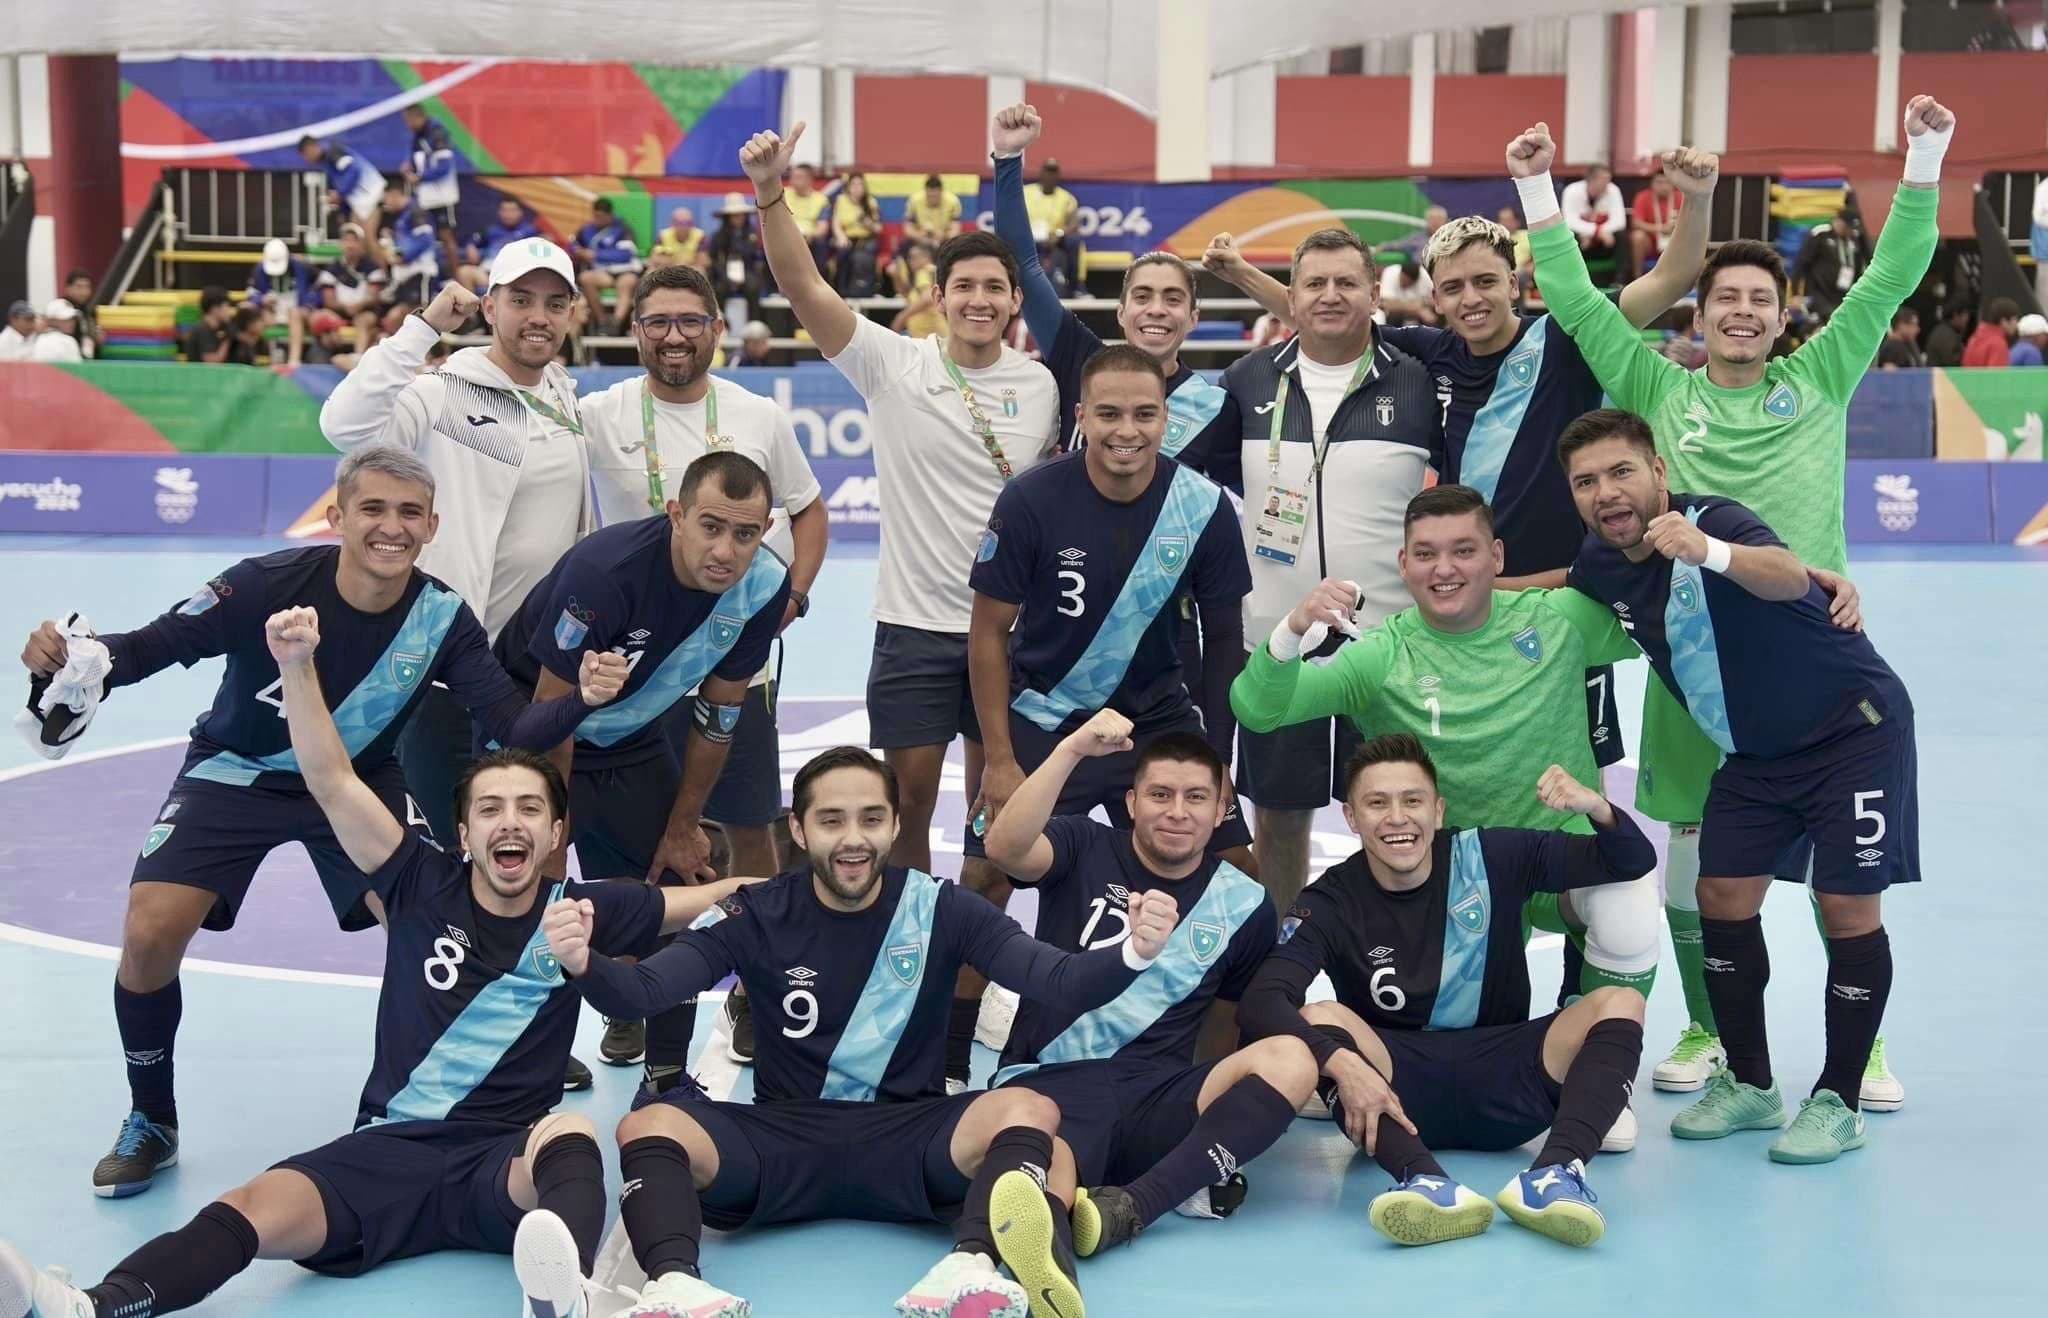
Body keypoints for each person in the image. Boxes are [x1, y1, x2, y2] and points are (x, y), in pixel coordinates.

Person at [0, 604, 744, 1318]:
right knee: (252, 1207)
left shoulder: (586, 907)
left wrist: (803, 889)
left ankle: (561, 1297)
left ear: (555, 834)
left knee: (573, 1135)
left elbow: (712, 898)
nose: (508, 822)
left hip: (503, 1164)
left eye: (528, 810)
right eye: (490, 809)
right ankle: (92, 1305)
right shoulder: (417, 878)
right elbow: (330, 778)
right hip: (389, 1147)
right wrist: (296, 665)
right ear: (462, 831)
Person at [13, 446, 623, 1198]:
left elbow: (511, 723)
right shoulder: (263, 585)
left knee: (434, 921)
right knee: (147, 930)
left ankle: (493, 1052)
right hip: (238, 771)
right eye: (373, 509)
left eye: (408, 513)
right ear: (337, 517)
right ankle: (153, 1119)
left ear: (432, 526)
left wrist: (584, 702)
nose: (390, 527)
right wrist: (73, 657)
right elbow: (152, 648)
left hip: (356, 778)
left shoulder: (442, 618)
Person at [1511, 98, 1951, 1105]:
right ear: (1698, 317)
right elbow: (1577, 305)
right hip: (1687, 674)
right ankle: (1711, 1033)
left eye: (1759, 297)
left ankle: (1861, 1045)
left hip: (1807, 663)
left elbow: (1889, 274)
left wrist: (1922, 150)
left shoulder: (1821, 376)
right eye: (1723, 299)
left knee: (1842, 873)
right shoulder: (1657, 391)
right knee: (1702, 860)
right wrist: (1536, 187)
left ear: (1782, 313)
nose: (1741, 310)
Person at [551, 745, 1180, 1318]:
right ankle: (675, 1289)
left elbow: (1060, 980)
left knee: (1028, 1108)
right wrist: (585, 962)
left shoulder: (941, 906)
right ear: (798, 829)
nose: (853, 840)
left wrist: (1133, 954)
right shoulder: (755, 910)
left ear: (895, 826)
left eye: (871, 819)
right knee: (648, 1123)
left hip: (912, 1138)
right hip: (782, 1140)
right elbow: (647, 990)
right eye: (831, 821)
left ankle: (970, 1269)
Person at [1559, 408, 1920, 1165]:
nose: (1606, 492)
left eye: (1621, 471)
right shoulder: (1601, 558)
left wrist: (1709, 550)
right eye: (1586, 481)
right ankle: (1753, 1085)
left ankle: (1840, 1098)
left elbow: (1788, 574)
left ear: (1658, 471)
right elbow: (1554, 583)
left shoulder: (1709, 517)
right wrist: (1462, 577)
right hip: (1755, 757)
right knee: (1721, 896)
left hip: (1851, 731)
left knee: (1847, 906)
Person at [1229, 486, 1671, 1058]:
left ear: (1498, 558)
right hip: (1448, 885)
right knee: (1449, 1063)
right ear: (1404, 564)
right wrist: (1291, 631)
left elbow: (1665, 621)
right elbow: (1260, 710)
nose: (1444, 569)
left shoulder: (1560, 619)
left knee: (1630, 903)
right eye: (1426, 553)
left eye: (1464, 551)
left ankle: (1601, 1077)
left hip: (1557, 859)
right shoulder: (1382, 654)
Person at [741, 122, 1061, 898]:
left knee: (1000, 816)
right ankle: (915, 960)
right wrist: (770, 193)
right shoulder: (893, 364)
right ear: (939, 298)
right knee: (907, 812)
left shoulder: (1044, 387)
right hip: (915, 630)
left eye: (995, 287)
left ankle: (972, 989)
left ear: (1016, 299)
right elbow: (803, 287)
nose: (979, 300)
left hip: (1012, 631)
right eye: (965, 287)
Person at [955, 346, 1254, 1090]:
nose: (1128, 430)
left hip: (1156, 724)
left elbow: (1224, 646)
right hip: (1043, 718)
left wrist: (1217, 766)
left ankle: (1207, 1081)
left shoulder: (1203, 508)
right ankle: (948, 1065)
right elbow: (989, 631)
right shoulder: (1031, 499)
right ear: (1081, 417)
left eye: (1145, 414)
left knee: (1232, 885)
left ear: (1166, 418)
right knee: (984, 879)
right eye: (1110, 413)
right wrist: (998, 757)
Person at [1239, 736, 1653, 1247]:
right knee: (1321, 1014)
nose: (1397, 818)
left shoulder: (1491, 855)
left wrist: (1597, 808)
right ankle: (1424, 1180)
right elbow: (1263, 1000)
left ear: (1437, 810)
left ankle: (1555, 1174)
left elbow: (1630, 860)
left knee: (1620, 1002)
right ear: (1351, 817)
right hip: (1392, 1095)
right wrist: (1343, 1066)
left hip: (1510, 1075)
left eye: (1412, 801)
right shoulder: (1330, 899)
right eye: (1377, 803)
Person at [581, 263, 828, 1067]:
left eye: (691, 319)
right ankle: (630, 995)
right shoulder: (596, 414)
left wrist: (790, 594)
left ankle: (757, 993)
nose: (675, 335)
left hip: (734, 669)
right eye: (657, 321)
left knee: (752, 832)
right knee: (638, 848)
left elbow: (808, 508)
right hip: (638, 680)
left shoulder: (757, 413)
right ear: (636, 328)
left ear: (717, 328)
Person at [492, 451, 791, 1101]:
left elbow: (719, 709)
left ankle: (662, 1081)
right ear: (675, 514)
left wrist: (685, 824)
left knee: (676, 887)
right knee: (527, 902)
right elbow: (551, 713)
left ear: (765, 530)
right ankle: (525, 1061)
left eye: (745, 534)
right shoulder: (606, 573)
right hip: (528, 723)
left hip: (627, 735)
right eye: (710, 527)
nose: (725, 551)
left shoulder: (765, 585)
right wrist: (553, 830)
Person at [980, 720, 1319, 1258]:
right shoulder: (1082, 842)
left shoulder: (1244, 903)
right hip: (1053, 1086)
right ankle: (1049, 1244)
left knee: (1291, 1059)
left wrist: (1218, 1122)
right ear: (1132, 801)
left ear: (1219, 809)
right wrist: (1070, 750)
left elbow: (1223, 1025)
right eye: (1160, 795)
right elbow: (1003, 847)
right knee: (1046, 1183)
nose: (1177, 811)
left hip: (1158, 1098)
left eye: (1196, 797)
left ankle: (1134, 1206)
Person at [1181, 226, 1445, 917]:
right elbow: (1187, 483)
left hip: (1390, 645)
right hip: (1277, 642)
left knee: (1396, 815)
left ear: (1374, 292)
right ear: (1291, 296)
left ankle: (1396, 965)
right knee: (1281, 816)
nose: (1331, 296)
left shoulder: (1416, 382)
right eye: (1314, 283)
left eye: (1346, 282)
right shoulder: (1246, 379)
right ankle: (1281, 962)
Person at [990, 104, 1240, 766]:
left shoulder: (1220, 405)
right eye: (1143, 296)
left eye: (1172, 298)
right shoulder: (1079, 357)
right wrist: (1008, 161)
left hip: (1163, 653)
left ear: (1193, 314)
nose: (1156, 309)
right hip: (1058, 645)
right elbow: (1022, 262)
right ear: (1122, 308)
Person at [323, 240, 594, 841]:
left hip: (534, 667)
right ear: (490, 308)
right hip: (450, 665)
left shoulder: (563, 398)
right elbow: (344, 427)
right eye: (520, 299)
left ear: (573, 313)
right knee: (440, 850)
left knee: (522, 844)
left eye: (554, 303)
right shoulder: (445, 392)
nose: (538, 317)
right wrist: (420, 330)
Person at [398, 103, 461, 275]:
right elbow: (412, 158)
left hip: (443, 196)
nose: (407, 125)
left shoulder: (437, 134)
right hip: (424, 198)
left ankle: (457, 278)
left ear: (418, 117)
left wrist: (420, 177)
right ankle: (432, 278)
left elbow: (444, 166)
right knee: (426, 236)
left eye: (409, 120)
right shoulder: (416, 137)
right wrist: (408, 166)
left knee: (446, 236)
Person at [376, 181, 442, 329]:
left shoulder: (416, 211)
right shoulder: (402, 217)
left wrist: (403, 256)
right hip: (405, 278)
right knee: (398, 320)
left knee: (421, 317)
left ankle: (431, 352)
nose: (385, 203)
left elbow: (425, 238)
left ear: (395, 195)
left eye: (386, 198)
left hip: (420, 274)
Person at [316, 222, 390, 352]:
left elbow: (373, 297)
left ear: (361, 245)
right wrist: (344, 307)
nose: (350, 245)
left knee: (364, 320)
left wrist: (358, 306)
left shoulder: (372, 268)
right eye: (346, 241)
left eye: (354, 241)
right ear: (341, 244)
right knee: (320, 317)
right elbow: (328, 300)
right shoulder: (331, 270)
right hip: (339, 313)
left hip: (365, 312)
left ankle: (358, 355)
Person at [574, 198, 642, 335]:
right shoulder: (586, 230)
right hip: (602, 273)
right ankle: (602, 321)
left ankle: (616, 323)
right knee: (586, 278)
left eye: (601, 216)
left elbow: (625, 254)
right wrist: (579, 252)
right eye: (595, 215)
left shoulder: (623, 229)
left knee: (628, 283)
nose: (597, 219)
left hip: (625, 271)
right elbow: (574, 246)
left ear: (610, 215)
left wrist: (595, 255)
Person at [1791, 209, 1871, 322]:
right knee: (1830, 319)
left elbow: (1867, 261)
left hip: (1844, 293)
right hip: (1819, 292)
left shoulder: (1855, 238)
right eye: (1847, 227)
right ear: (1838, 221)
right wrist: (1795, 293)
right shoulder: (1821, 234)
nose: (1849, 231)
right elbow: (1801, 263)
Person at [248, 238, 316, 367]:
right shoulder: (259, 270)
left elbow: (315, 290)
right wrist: (262, 300)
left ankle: (294, 360)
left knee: (295, 313)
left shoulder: (302, 267)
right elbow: (252, 294)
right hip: (274, 311)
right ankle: (272, 356)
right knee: (256, 313)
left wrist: (307, 306)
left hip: (299, 311)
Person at [298, 134, 386, 227]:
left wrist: (340, 194)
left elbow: (353, 171)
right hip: (362, 200)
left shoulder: (333, 152)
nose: (306, 160)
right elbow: (341, 191)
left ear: (311, 148)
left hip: (371, 194)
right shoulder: (327, 165)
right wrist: (343, 212)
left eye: (305, 155)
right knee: (355, 234)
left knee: (364, 237)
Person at [1024, 156, 1083, 296]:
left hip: (1055, 238)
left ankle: (1076, 287)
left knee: (1074, 240)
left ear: (1058, 175)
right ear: (1041, 173)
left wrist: (1059, 233)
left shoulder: (1066, 197)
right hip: (1029, 236)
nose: (1050, 176)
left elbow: (1074, 224)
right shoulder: (1026, 192)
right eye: (1047, 171)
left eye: (1053, 172)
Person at [1559, 164, 1628, 277]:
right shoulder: (1572, 191)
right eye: (1604, 179)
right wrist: (1595, 231)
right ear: (1591, 180)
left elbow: (1620, 221)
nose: (1608, 183)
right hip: (1582, 241)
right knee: (1569, 235)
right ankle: (1572, 278)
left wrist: (1599, 232)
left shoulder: (1613, 190)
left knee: (1621, 235)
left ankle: (1620, 280)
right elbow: (1569, 221)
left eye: (1609, 179)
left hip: (1605, 241)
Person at [706, 193, 765, 324]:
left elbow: (757, 258)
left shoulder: (753, 235)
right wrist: (725, 276)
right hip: (724, 273)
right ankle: (720, 325)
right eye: (735, 215)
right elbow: (714, 259)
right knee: (718, 290)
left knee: (753, 288)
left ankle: (754, 324)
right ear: (727, 217)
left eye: (741, 215)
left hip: (747, 271)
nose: (739, 218)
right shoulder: (718, 236)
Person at [462, 196, 542, 289]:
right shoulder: (491, 230)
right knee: (464, 272)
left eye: (512, 210)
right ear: (499, 212)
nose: (508, 214)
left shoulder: (530, 231)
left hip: (516, 275)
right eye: (504, 210)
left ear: (521, 212)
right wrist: (471, 247)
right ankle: (472, 303)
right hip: (489, 273)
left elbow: (542, 248)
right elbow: (473, 242)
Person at [830, 171, 882, 296]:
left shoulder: (870, 202)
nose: (857, 188)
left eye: (860, 185)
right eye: (853, 184)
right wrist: (841, 237)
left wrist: (867, 222)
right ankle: (841, 290)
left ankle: (864, 290)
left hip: (865, 239)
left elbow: (878, 228)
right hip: (847, 238)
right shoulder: (841, 200)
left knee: (863, 255)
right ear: (848, 187)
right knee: (843, 252)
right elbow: (836, 223)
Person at [1629, 169, 1683, 275]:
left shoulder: (1681, 197)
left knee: (1694, 236)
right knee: (1637, 237)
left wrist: (1676, 227)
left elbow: (1690, 221)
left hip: (1675, 240)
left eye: (1667, 182)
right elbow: (1636, 223)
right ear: (1652, 184)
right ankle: (1637, 277)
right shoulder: (1643, 197)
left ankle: (1687, 280)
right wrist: (1661, 228)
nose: (1663, 186)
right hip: (1651, 242)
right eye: (1659, 182)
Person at [180, 286, 234, 364]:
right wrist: (228, 340)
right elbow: (212, 361)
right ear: (214, 308)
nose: (228, 310)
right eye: (226, 306)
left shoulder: (218, 329)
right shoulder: (202, 330)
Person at [906, 173, 963, 246]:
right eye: (929, 196)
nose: (932, 199)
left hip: (944, 239)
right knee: (904, 246)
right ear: (925, 192)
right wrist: (919, 236)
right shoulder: (914, 201)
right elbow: (908, 229)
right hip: (920, 238)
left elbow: (955, 230)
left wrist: (944, 236)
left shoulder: (953, 202)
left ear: (941, 192)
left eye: (935, 196)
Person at [1964, 296, 2020, 366]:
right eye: (2015, 319)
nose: (2016, 324)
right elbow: (1997, 375)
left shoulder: (1974, 338)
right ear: (2004, 321)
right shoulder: (1998, 344)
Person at [651, 205, 708, 271]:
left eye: (688, 223)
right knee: (651, 271)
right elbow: (655, 259)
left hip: (691, 269)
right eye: (680, 223)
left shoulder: (700, 236)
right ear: (672, 223)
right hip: (669, 269)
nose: (684, 227)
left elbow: (703, 261)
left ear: (693, 223)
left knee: (701, 270)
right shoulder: (663, 236)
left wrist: (682, 266)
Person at [62, 268, 102, 356]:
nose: (83, 292)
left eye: (87, 287)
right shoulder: (61, 308)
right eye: (79, 287)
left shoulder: (90, 311)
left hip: (88, 361)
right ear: (68, 288)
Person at [1923, 301, 1971, 367]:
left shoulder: (1947, 331)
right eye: (1965, 315)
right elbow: (1953, 362)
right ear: (1955, 315)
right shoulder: (1945, 335)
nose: (1966, 320)